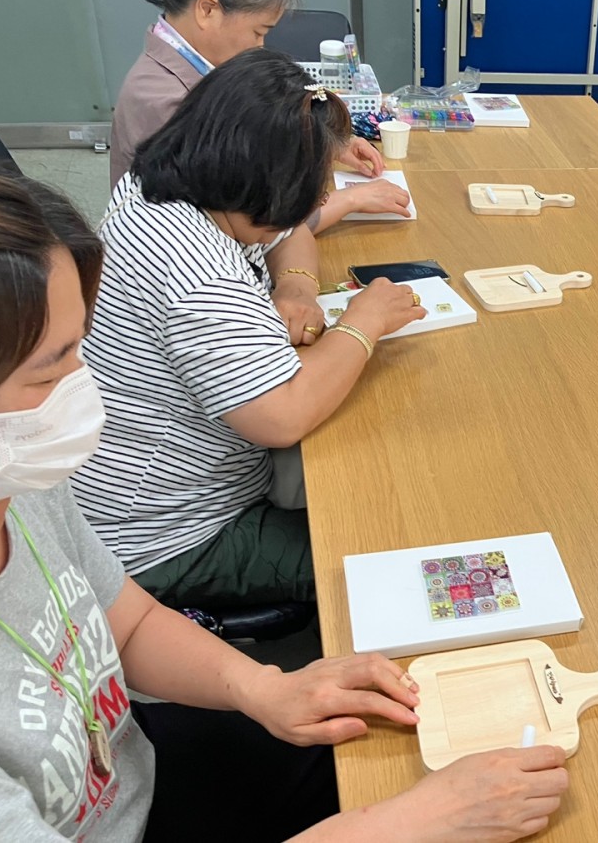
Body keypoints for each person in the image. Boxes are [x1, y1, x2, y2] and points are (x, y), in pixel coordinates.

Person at [0, 172, 568, 842]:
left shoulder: (24, 484)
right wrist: (414, 822)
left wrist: (266, 688)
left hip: (129, 764)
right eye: (51, 369)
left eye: (81, 349)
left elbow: (129, 622)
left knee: (404, 747)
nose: (87, 386)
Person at [73, 49, 427, 609]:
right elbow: (282, 414)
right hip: (165, 534)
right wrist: (364, 323)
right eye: (312, 191)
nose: (321, 201)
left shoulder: (178, 183)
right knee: (389, 546)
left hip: (154, 475)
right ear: (263, 182)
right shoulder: (197, 277)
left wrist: (298, 288)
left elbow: (289, 234)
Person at [112, 0, 409, 226]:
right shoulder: (165, 103)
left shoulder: (203, 67)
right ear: (207, 10)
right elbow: (250, 221)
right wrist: (350, 199)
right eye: (258, 32)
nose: (260, 46)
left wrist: (324, 143)